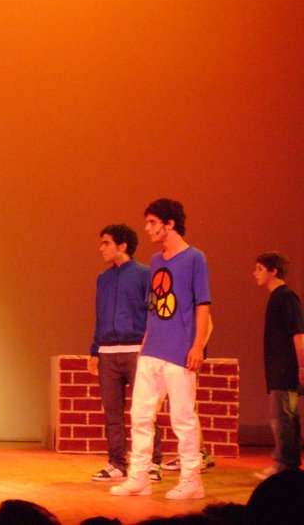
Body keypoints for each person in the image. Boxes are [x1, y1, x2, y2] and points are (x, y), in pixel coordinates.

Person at [111, 199, 210, 500]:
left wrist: (197, 345)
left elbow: (202, 305)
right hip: (152, 349)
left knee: (182, 417)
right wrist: (145, 341)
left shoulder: (195, 258)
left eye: (153, 222)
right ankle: (139, 477)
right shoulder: (156, 261)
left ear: (170, 224)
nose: (147, 228)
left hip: (179, 350)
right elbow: (154, 305)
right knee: (140, 415)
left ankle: (192, 480)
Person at [89, 224, 163, 482]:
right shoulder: (103, 278)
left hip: (136, 351)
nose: (101, 248)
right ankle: (117, 463)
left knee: (145, 410)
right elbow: (99, 316)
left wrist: (149, 346)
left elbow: (154, 313)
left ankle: (152, 463)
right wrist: (95, 351)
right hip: (108, 352)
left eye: (106, 243)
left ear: (122, 245)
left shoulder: (145, 274)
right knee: (112, 413)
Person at [252, 252, 304, 478]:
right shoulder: (278, 297)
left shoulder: (286, 297)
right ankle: (289, 465)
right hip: (280, 369)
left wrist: (301, 367)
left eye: (259, 269)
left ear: (273, 271)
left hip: (286, 369)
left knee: (282, 418)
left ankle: (284, 466)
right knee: (286, 417)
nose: (255, 274)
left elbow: (299, 334)